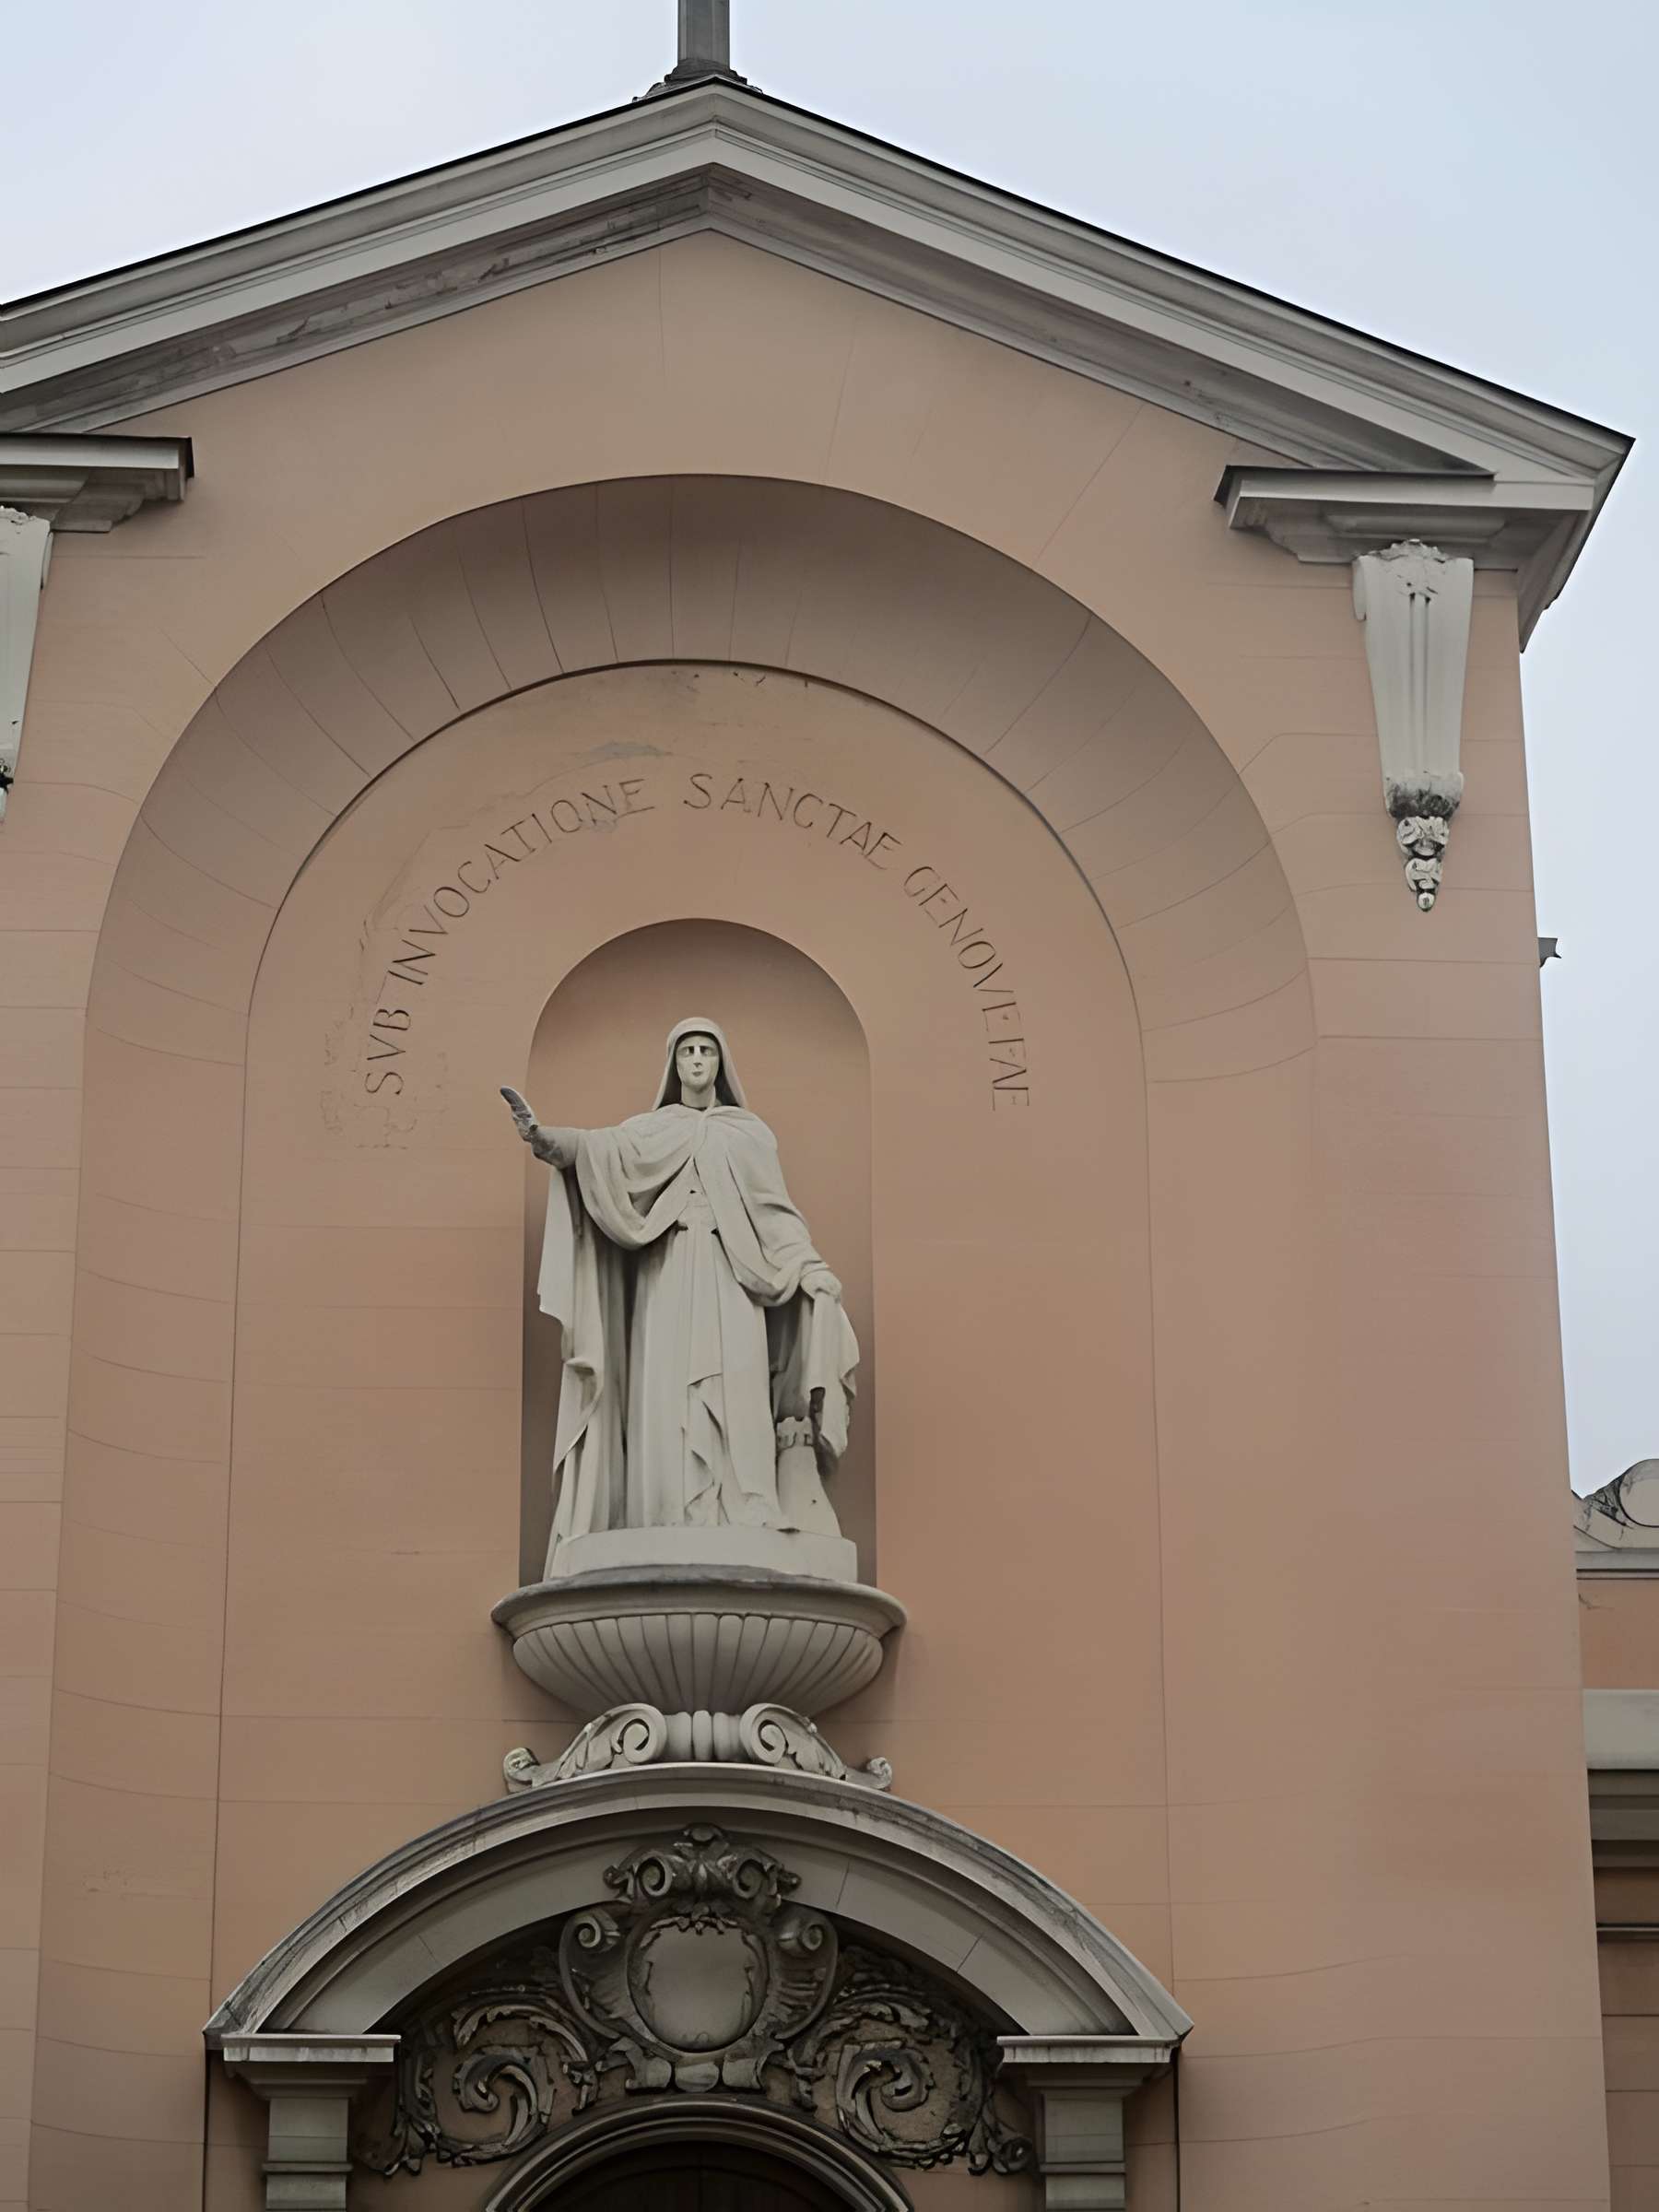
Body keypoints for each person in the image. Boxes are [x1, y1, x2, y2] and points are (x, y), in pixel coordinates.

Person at [503, 1018, 856, 1560]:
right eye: (687, 1051)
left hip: (733, 1278)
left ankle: (748, 1502)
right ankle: (664, 1508)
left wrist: (810, 1269)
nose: (696, 1060)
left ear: (721, 1063)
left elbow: (776, 1215)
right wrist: (541, 1137)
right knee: (666, 1387)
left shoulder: (748, 1134)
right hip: (665, 1274)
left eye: (705, 1051)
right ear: (673, 1064)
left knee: (737, 1382)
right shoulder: (651, 1130)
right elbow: (595, 1150)